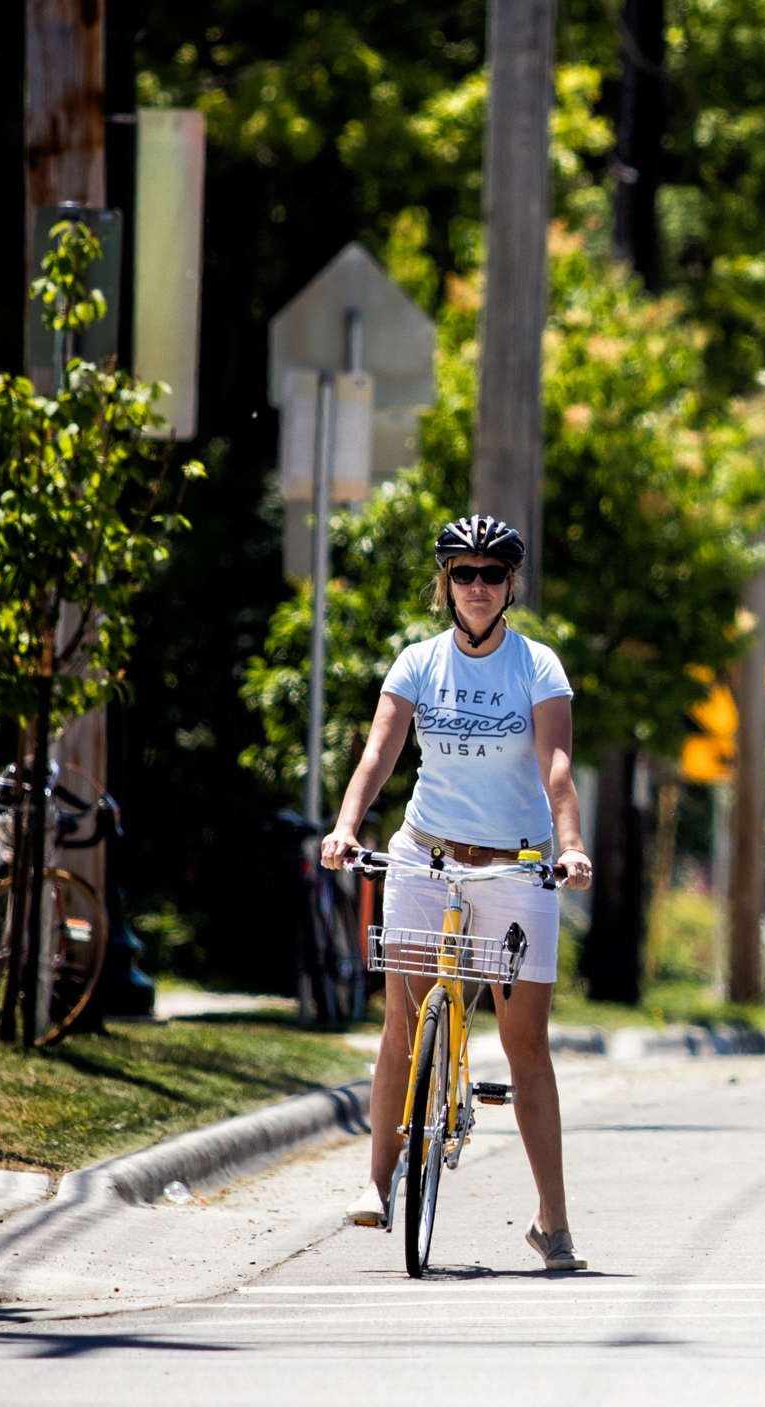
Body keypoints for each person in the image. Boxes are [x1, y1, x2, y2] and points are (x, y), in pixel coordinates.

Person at [321, 514, 596, 1272]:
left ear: (512, 586)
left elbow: (558, 768)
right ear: (445, 582)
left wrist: (569, 848)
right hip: (425, 854)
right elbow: (379, 752)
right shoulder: (417, 661)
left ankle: (555, 1221)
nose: (477, 586)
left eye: (492, 574)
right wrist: (347, 827)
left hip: (515, 864)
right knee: (402, 1024)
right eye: (464, 573)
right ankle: (377, 1182)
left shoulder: (537, 666)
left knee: (526, 1044)